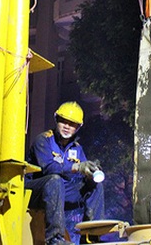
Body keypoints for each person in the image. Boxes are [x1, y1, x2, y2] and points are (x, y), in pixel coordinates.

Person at [25, 101, 105, 245]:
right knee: (55, 179)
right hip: (34, 192)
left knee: (95, 186)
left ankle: (91, 237)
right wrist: (77, 167)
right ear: (56, 120)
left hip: (60, 192)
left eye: (72, 124)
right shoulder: (43, 140)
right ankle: (55, 239)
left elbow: (82, 171)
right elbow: (49, 168)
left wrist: (92, 172)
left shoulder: (77, 149)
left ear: (78, 127)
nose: (67, 127)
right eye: (64, 122)